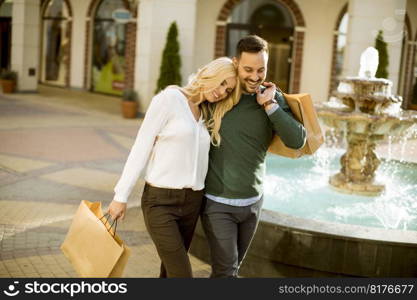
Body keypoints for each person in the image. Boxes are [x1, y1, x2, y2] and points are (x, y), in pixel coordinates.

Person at [107, 57, 240, 278]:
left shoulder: (208, 112)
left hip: (192, 202)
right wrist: (120, 195)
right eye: (222, 82)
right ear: (210, 74)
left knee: (169, 273)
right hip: (160, 203)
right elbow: (141, 146)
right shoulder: (169, 99)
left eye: (228, 89)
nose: (222, 91)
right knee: (182, 275)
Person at [201, 35, 306, 278]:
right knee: (226, 272)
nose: (255, 76)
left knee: (230, 271)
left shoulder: (272, 97)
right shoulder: (220, 94)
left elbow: (297, 141)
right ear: (236, 63)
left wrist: (270, 107)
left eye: (261, 69)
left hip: (253, 203)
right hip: (217, 203)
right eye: (248, 69)